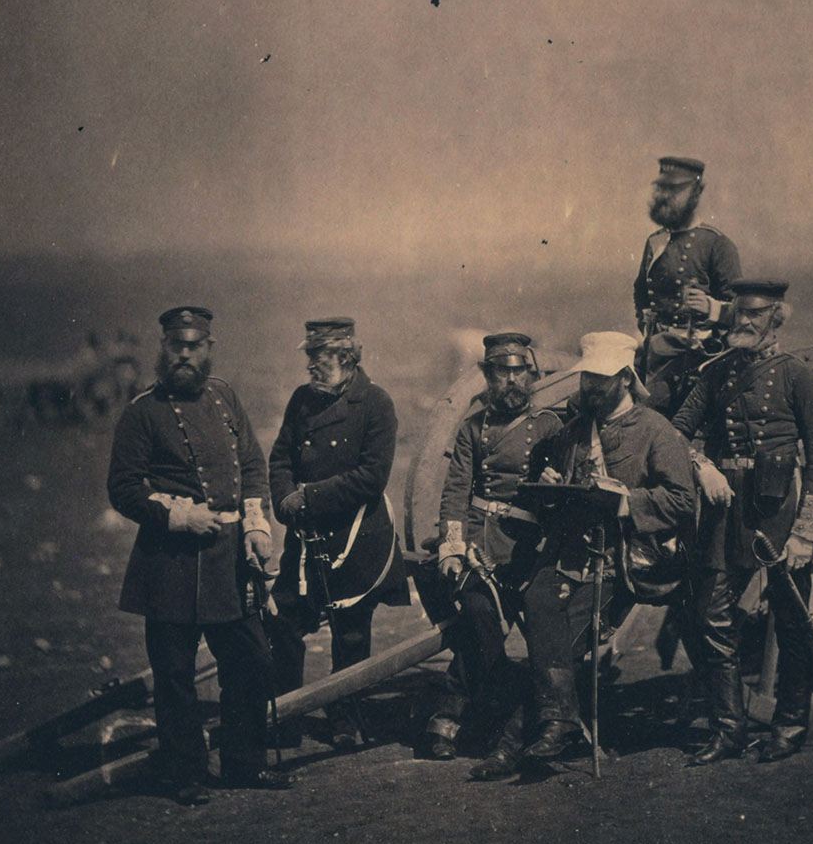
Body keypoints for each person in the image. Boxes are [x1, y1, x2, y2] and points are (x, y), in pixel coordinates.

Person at [107, 306, 289, 805]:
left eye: (194, 346)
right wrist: (175, 517)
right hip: (170, 564)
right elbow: (122, 488)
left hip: (230, 561)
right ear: (162, 349)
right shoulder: (142, 411)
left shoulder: (226, 397)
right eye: (175, 346)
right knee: (174, 675)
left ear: (209, 349)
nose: (184, 355)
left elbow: (252, 463)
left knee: (249, 659)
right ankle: (184, 774)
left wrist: (257, 527)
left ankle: (244, 763)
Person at [513, 331, 696, 764]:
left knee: (568, 635)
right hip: (570, 552)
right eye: (586, 379)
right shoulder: (575, 432)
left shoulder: (656, 431)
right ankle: (556, 725)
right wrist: (555, 485)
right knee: (536, 600)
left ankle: (521, 737)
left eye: (600, 379)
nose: (590, 388)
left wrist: (626, 502)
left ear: (626, 380)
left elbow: (682, 501)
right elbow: (562, 491)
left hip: (623, 559)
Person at [671, 279, 813, 764]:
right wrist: (702, 465)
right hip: (728, 508)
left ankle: (790, 724)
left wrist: (806, 529)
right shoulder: (717, 374)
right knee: (710, 615)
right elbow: (677, 431)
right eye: (739, 312)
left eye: (756, 315)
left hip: (780, 506)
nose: (744, 321)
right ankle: (730, 728)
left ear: (775, 319)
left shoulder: (795, 375)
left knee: (792, 619)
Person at [268, 316, 410, 751]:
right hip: (307, 539)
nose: (312, 366)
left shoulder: (375, 404)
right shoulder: (301, 401)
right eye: (310, 356)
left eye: (321, 357)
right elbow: (279, 461)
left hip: (357, 538)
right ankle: (285, 716)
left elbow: (371, 477)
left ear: (347, 358)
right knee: (283, 620)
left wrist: (308, 498)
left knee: (350, 634)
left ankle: (345, 720)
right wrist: (285, 499)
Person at [425, 332, 563, 762]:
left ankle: (447, 720)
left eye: (518, 372)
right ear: (488, 377)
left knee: (483, 631)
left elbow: (567, 488)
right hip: (480, 545)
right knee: (479, 618)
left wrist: (553, 486)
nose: (511, 382)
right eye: (501, 373)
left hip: (530, 547)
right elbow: (455, 492)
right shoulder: (472, 429)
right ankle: (514, 699)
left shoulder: (549, 426)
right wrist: (452, 546)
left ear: (531, 374)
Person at [633, 156, 742, 415]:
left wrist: (711, 308)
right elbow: (640, 293)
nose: (665, 196)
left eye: (674, 190)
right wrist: (646, 322)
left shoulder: (717, 244)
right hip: (655, 350)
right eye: (662, 189)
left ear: (696, 191)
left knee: (645, 410)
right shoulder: (655, 242)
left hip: (699, 356)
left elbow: (744, 311)